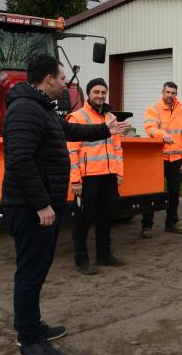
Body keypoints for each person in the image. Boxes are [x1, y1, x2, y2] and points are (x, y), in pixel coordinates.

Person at [1, 55, 129, 355]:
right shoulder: (25, 109)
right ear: (48, 79)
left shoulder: (42, 108)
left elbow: (70, 131)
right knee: (30, 272)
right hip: (30, 206)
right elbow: (20, 160)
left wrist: (106, 130)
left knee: (37, 269)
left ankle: (32, 324)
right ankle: (29, 340)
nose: (64, 84)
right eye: (61, 78)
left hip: (40, 204)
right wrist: (43, 204)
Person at [67, 78, 126, 275]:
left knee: (106, 216)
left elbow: (117, 148)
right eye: (96, 92)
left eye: (103, 92)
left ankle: (104, 254)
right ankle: (81, 259)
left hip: (108, 176)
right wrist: (75, 179)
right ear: (89, 94)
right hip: (87, 177)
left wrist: (119, 172)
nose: (100, 96)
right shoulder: (77, 117)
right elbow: (71, 152)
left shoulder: (110, 117)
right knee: (83, 219)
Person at [140, 81, 182, 238]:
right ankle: (147, 226)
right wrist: (163, 135)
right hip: (158, 158)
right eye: (167, 92)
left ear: (176, 94)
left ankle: (172, 223)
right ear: (162, 92)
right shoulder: (153, 109)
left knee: (174, 192)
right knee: (152, 192)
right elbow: (150, 129)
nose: (170, 95)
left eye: (173, 93)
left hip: (176, 159)